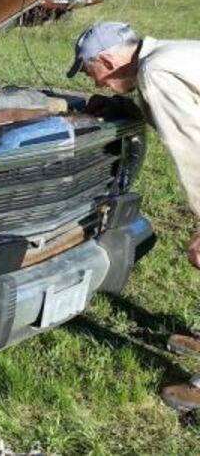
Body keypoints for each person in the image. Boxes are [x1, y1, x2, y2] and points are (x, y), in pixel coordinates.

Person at [68, 21, 200, 410]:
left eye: (92, 72)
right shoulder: (169, 54)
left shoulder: (156, 72)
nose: (97, 81)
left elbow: (195, 148)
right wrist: (125, 106)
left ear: (106, 59)